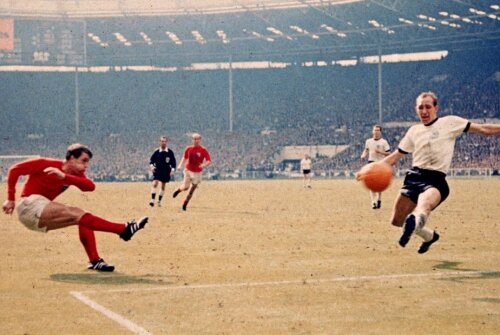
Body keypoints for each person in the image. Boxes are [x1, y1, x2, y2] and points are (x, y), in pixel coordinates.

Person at [381, 91, 500, 254]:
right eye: (420, 107)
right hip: (413, 178)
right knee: (396, 221)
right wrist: (370, 169)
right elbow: (395, 156)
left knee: (423, 206)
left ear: (436, 108)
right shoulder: (414, 131)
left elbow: (484, 129)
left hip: (435, 180)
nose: (424, 111)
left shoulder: (449, 122)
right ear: (416, 109)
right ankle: (429, 236)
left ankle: (416, 219)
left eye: (428, 107)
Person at [2, 144, 148, 272]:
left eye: (88, 162)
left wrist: (64, 177)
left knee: (82, 218)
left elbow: (90, 187)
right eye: (83, 161)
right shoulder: (46, 163)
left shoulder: (75, 174)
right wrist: (10, 198)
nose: (86, 165)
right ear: (71, 158)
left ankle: (95, 261)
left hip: (38, 215)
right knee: (78, 213)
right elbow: (15, 170)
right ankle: (123, 229)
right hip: (29, 205)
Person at [172, 133, 211, 211]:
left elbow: (209, 160)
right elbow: (184, 157)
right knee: (186, 187)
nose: (196, 141)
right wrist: (180, 165)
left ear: (200, 140)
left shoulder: (203, 150)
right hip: (188, 170)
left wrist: (203, 165)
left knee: (192, 189)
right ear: (192, 140)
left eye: (197, 139)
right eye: (194, 139)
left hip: (197, 172)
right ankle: (178, 190)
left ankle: (185, 203)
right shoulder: (188, 148)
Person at [360, 125, 391, 209]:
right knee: (370, 182)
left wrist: (380, 152)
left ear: (380, 132)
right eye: (375, 130)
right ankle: (373, 202)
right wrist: (363, 155)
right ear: (372, 131)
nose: (376, 132)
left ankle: (379, 199)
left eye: (378, 130)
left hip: (381, 164)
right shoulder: (368, 141)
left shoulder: (384, 142)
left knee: (380, 183)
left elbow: (389, 153)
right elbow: (366, 150)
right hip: (371, 163)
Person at [149, 136, 176, 207]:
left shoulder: (170, 152)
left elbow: (173, 162)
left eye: (165, 141)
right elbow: (151, 161)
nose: (163, 143)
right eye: (162, 141)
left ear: (166, 142)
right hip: (158, 170)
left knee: (163, 186)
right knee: (155, 183)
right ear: (160, 142)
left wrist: (172, 170)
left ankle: (159, 201)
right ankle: (152, 200)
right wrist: (152, 167)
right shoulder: (157, 152)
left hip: (166, 170)